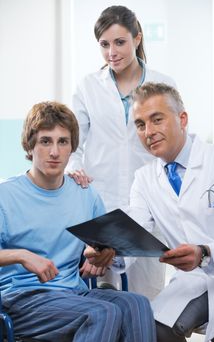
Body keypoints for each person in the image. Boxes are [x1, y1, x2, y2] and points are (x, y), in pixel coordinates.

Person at [0, 101, 156, 342]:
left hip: (73, 293)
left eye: (63, 141)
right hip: (22, 298)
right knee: (102, 313)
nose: (55, 152)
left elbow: (100, 247)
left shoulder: (85, 194)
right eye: (45, 141)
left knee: (138, 305)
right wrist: (22, 255)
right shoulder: (5, 195)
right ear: (29, 146)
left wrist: (102, 254)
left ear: (72, 147)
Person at [67, 4, 176, 298]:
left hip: (151, 205)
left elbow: (173, 142)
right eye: (104, 44)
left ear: (137, 39)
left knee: (149, 299)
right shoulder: (89, 86)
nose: (111, 52)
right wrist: (74, 168)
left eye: (119, 42)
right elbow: (73, 141)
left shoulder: (163, 84)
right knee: (106, 298)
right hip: (103, 204)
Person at [128, 82, 214, 342]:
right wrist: (109, 253)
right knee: (153, 330)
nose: (149, 132)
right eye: (141, 125)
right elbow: (133, 231)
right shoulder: (144, 179)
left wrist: (206, 253)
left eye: (157, 120)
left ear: (182, 118)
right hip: (192, 279)